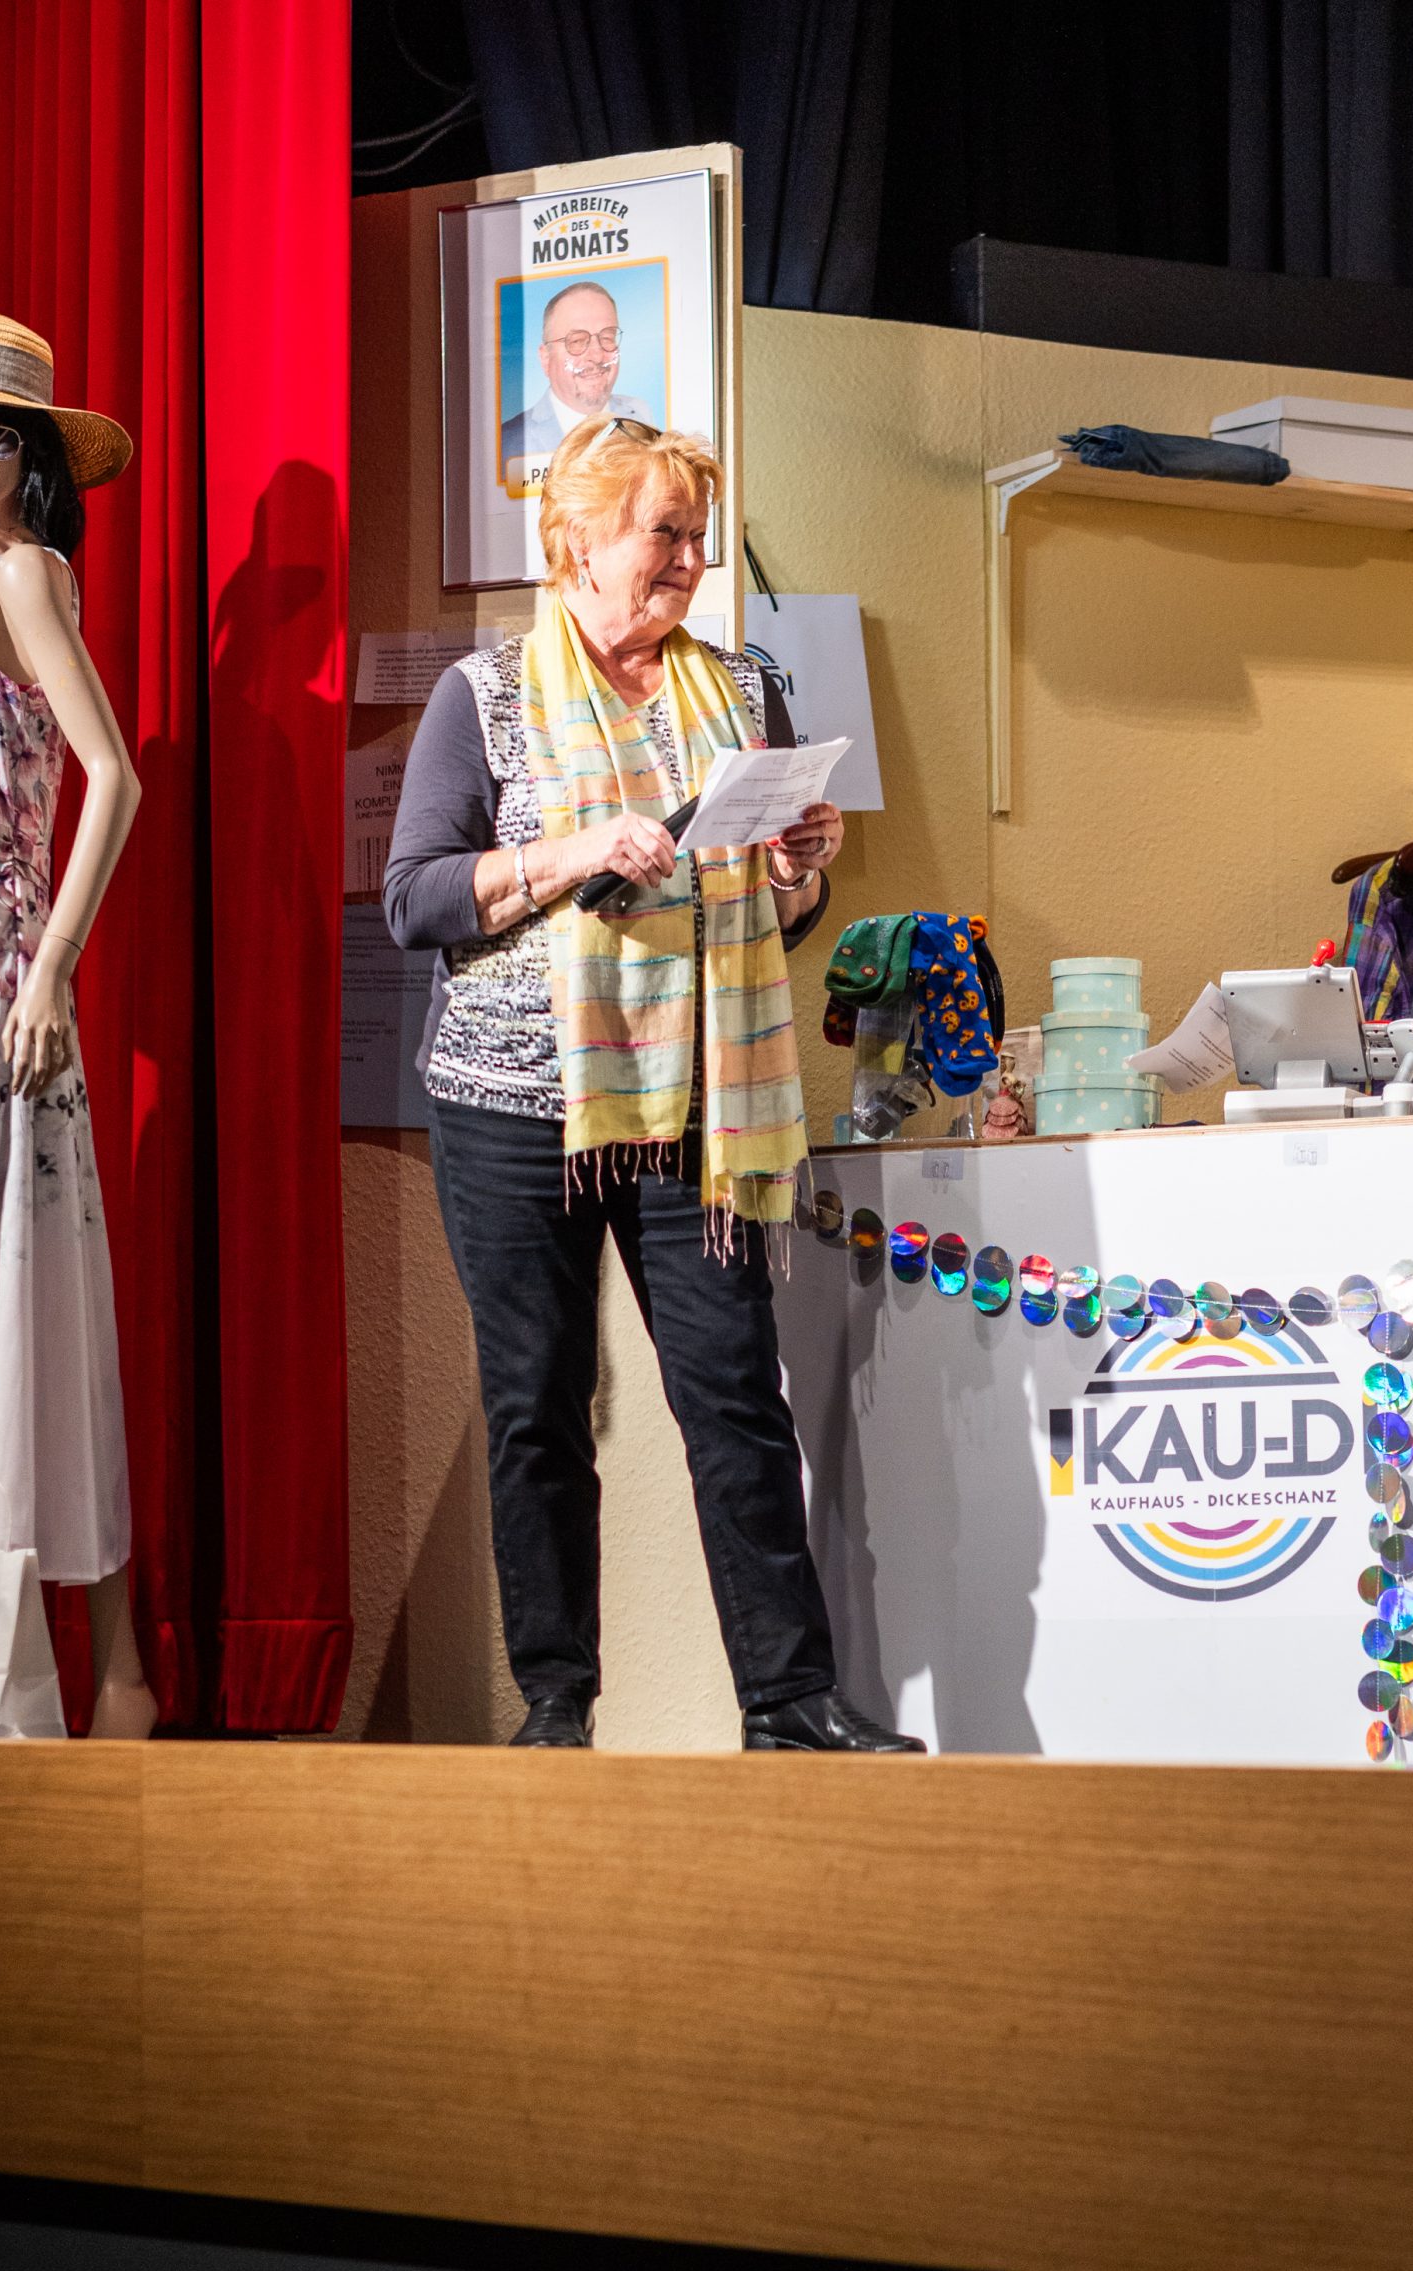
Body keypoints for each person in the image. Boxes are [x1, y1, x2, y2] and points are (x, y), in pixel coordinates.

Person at [386, 415, 922, 1753]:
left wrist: (799, 867)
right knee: (536, 1406)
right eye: (661, 532)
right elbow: (414, 899)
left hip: (698, 1101)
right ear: (577, 541)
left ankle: (789, 1704)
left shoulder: (742, 690)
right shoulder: (483, 694)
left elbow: (781, 920)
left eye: (696, 533)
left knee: (734, 1394)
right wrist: (569, 853)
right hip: (511, 1105)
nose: (687, 557)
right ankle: (556, 1706)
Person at [0, 311, 155, 1738]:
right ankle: (76, 1669)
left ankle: (101, 1672)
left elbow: (111, 776)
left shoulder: (20, 576)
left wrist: (54, 966)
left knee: (14, 1307)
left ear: (33, 458)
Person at [500, 282, 653, 470]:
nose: (596, 356)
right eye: (577, 341)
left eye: (607, 338)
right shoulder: (510, 442)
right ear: (546, 358)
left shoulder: (639, 414)